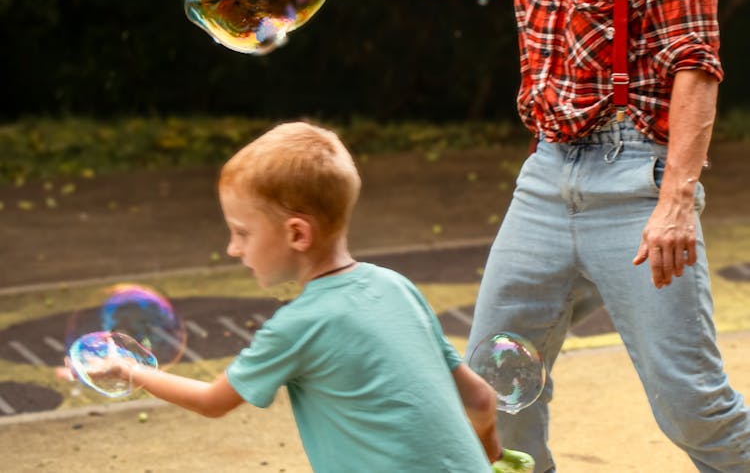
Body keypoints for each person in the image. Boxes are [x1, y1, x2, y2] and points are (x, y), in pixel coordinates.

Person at [224, 0, 750, 473]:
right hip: (545, 180)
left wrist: (675, 200)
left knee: (689, 402)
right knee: (494, 392)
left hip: (636, 187)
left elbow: (696, 66)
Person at [85, 121, 534, 473]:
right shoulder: (395, 285)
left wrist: (130, 370)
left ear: (297, 233)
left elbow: (212, 401)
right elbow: (479, 397)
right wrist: (489, 454)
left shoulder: (297, 325)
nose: (232, 248)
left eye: (241, 232)